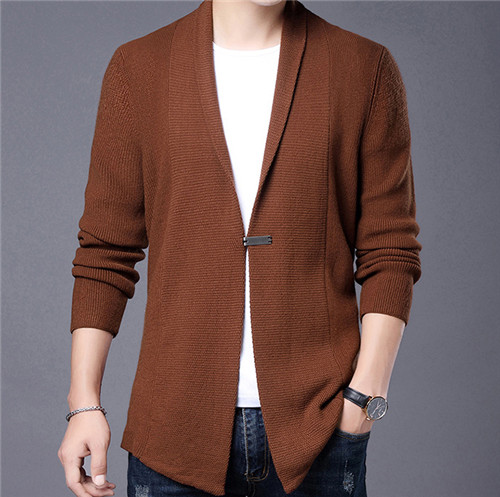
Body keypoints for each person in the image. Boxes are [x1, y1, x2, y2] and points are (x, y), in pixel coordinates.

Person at [58, 0, 422, 496]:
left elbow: (390, 248)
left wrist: (365, 399)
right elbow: (106, 249)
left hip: (319, 433)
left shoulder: (363, 67)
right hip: (172, 433)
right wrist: (84, 402)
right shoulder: (139, 68)